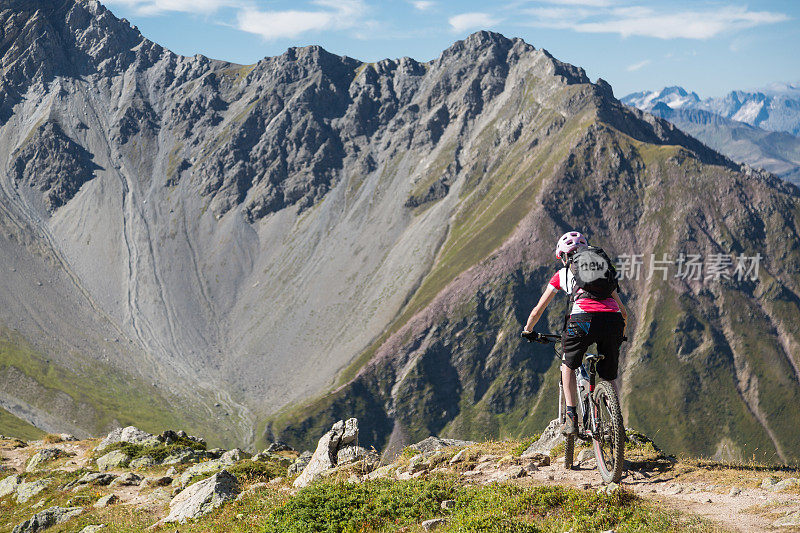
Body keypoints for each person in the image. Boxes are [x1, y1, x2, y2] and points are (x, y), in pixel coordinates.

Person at [521, 231, 627, 436]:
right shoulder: (601, 271)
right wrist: (620, 334)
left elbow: (538, 310)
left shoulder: (562, 275)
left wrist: (528, 330)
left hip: (582, 321)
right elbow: (623, 311)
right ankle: (617, 423)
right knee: (608, 376)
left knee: (568, 365)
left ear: (563, 256)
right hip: (613, 321)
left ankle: (571, 419)